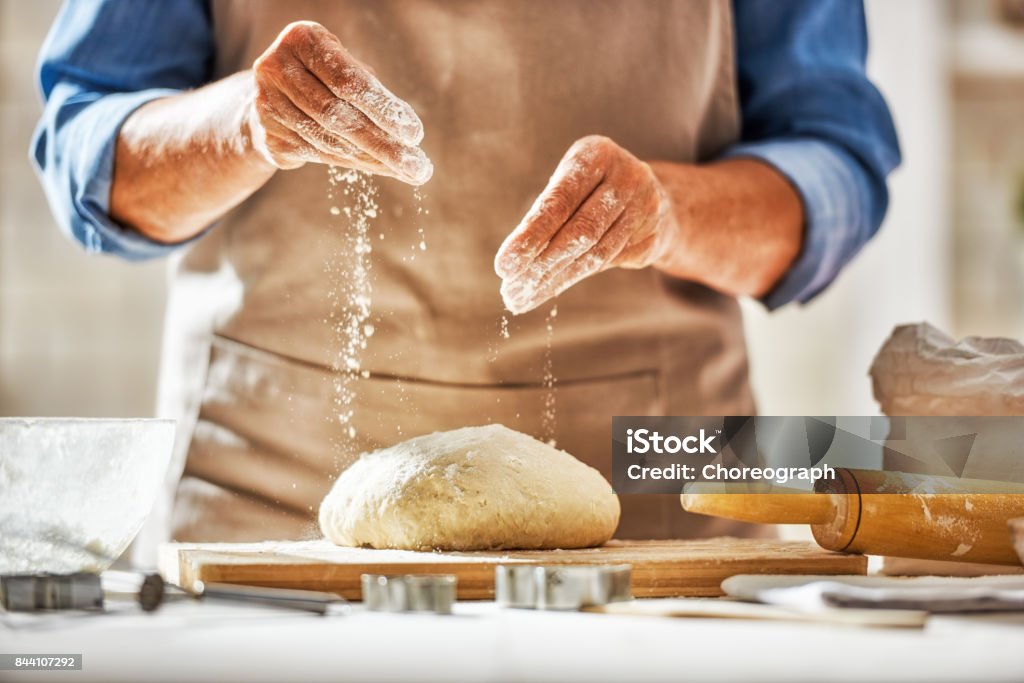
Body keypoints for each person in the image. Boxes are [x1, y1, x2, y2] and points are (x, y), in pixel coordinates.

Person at [32, 0, 899, 555]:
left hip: (657, 485)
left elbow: (836, 170)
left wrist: (671, 211)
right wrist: (243, 127)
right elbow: (86, 144)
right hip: (270, 496)